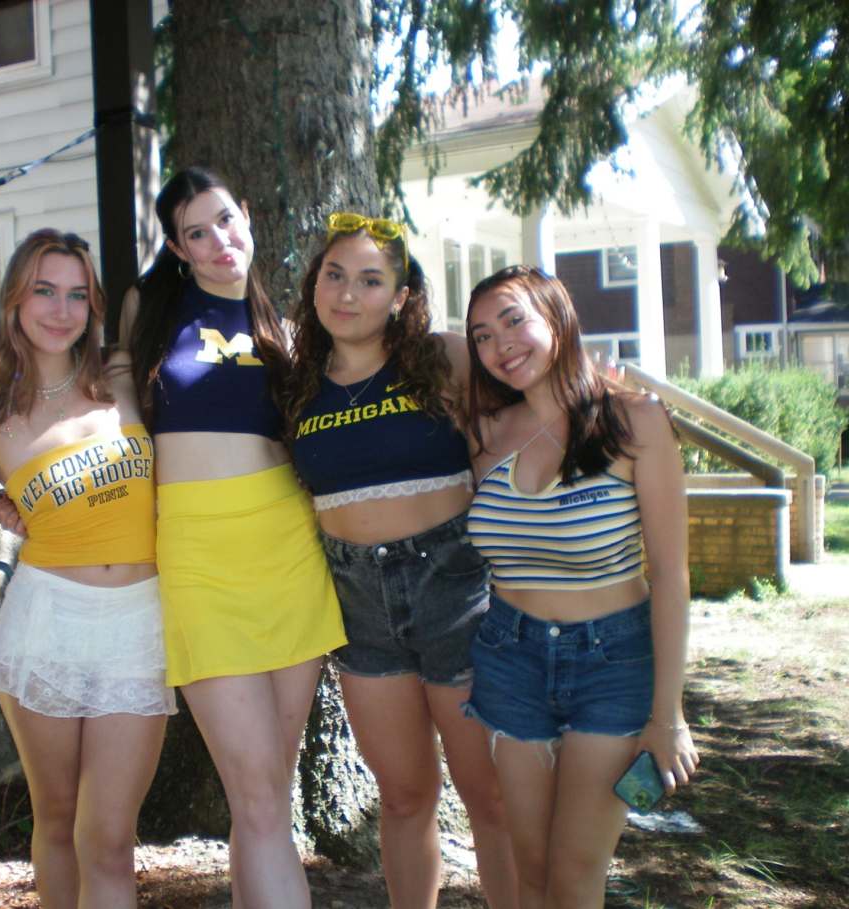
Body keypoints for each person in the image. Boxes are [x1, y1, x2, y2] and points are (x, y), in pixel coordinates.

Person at [124, 167, 347, 909]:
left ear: (246, 215)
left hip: (286, 550)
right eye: (197, 231)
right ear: (180, 249)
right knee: (254, 791)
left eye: (225, 220)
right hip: (198, 558)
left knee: (267, 798)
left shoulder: (281, 326)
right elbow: (105, 403)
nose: (220, 240)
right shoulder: (150, 309)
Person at [285, 214, 517, 909]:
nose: (347, 294)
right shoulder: (295, 381)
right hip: (360, 602)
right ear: (315, 282)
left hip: (458, 590)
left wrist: (624, 413)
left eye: (370, 280)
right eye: (334, 274)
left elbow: (542, 391)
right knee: (406, 795)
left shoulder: (444, 358)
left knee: (490, 797)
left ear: (400, 295)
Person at [0, 230, 176, 909]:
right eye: (44, 289)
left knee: (108, 834)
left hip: (139, 622)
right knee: (57, 815)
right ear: (15, 296)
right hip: (45, 622)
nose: (60, 308)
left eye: (77, 293)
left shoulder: (124, 378)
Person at [462, 266, 700, 909]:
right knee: (529, 866)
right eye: (482, 335)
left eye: (515, 320)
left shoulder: (635, 420)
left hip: (613, 663)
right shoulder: (484, 437)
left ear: (558, 317)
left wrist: (667, 714)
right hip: (510, 658)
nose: (500, 344)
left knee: (574, 872)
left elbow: (671, 577)